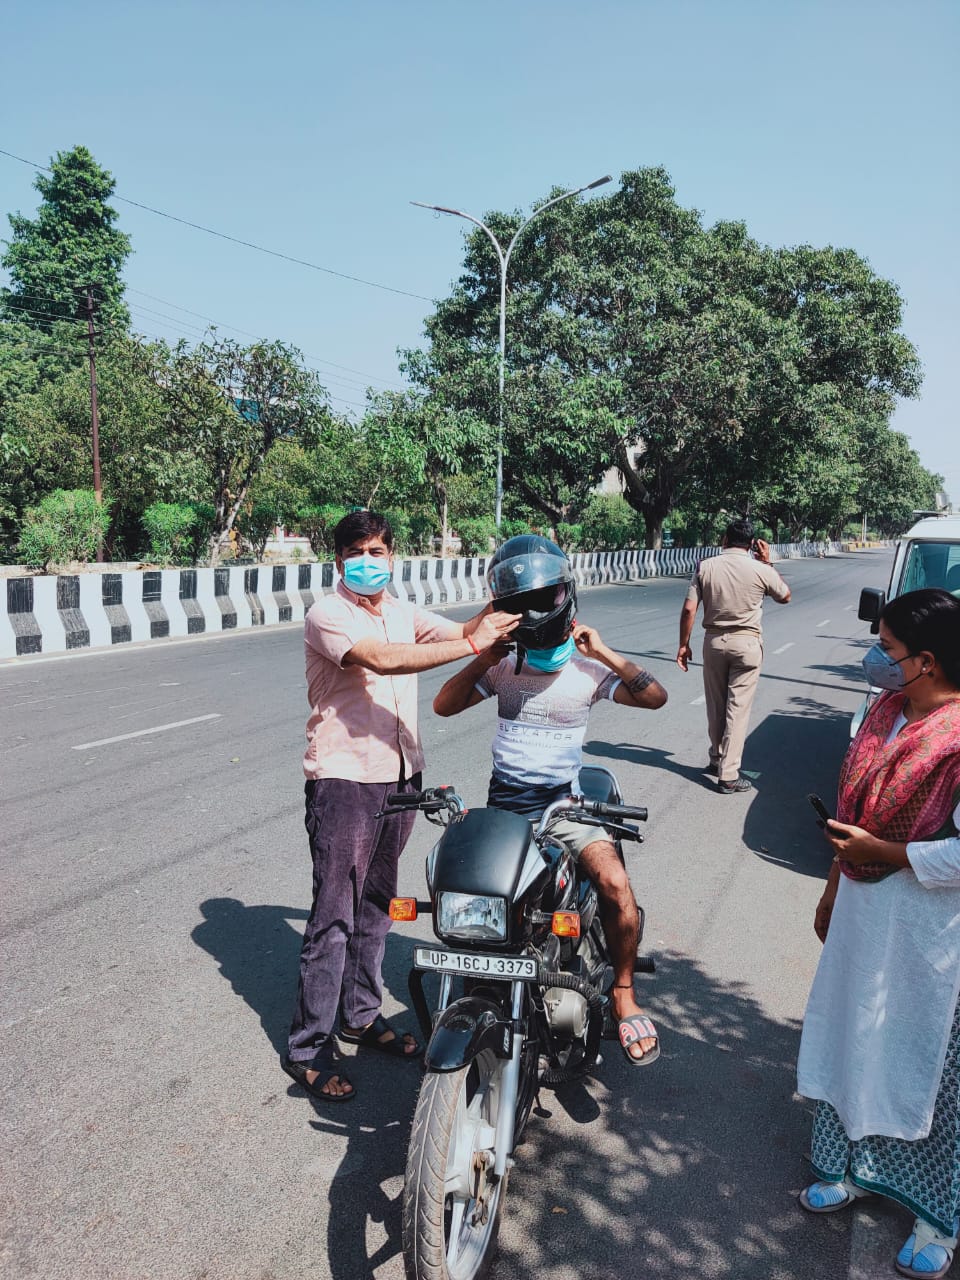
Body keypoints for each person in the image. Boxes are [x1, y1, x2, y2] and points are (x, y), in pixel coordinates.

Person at [282, 510, 520, 1103]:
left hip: (401, 777)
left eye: (380, 549)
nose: (370, 559)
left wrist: (507, 607)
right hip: (345, 781)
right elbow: (384, 659)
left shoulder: (401, 611)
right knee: (333, 915)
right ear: (338, 559)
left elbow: (458, 629)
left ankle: (360, 1015)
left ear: (393, 555)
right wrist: (472, 642)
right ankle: (309, 1046)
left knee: (378, 905)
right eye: (358, 550)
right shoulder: (328, 614)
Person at [433, 535, 668, 1066]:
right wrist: (482, 656)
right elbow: (444, 705)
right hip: (505, 811)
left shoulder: (586, 670)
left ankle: (625, 995)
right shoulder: (502, 668)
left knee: (613, 881)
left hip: (565, 810)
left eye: (544, 599)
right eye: (518, 604)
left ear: (565, 596)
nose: (532, 612)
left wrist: (603, 651)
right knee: (475, 896)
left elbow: (655, 697)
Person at [797, 589, 960, 1280]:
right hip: (865, 910)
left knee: (921, 1060)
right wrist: (837, 883)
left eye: (887, 648)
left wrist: (889, 856)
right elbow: (853, 814)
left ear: (925, 660)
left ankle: (937, 1218)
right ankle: (851, 1167)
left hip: (929, 931)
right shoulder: (887, 712)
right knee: (852, 1035)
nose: (875, 659)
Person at [676, 517, 791, 792]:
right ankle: (728, 775)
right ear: (752, 545)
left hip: (714, 643)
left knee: (715, 705)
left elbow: (689, 609)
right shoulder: (759, 568)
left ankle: (716, 759)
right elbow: (785, 596)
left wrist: (684, 644)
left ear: (724, 540)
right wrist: (767, 562)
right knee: (736, 711)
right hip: (747, 644)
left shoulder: (705, 566)